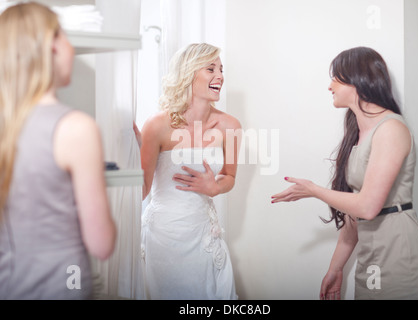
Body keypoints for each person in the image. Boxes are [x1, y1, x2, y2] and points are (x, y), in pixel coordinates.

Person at [271, 46, 418, 300]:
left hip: (401, 255)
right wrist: (335, 269)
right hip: (370, 259)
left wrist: (314, 190)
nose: (330, 86)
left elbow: (368, 207)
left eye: (335, 77)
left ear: (357, 79)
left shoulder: (391, 128)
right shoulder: (357, 134)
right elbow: (355, 213)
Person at [0, 2, 116, 299]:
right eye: (65, 35)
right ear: (50, 47)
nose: (71, 47)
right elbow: (102, 244)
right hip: (64, 285)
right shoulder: (76, 128)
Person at [138, 43, 240, 299]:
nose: (220, 76)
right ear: (189, 73)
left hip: (204, 234)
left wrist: (215, 187)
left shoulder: (230, 125)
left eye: (221, 69)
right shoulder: (157, 125)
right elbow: (142, 189)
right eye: (211, 69)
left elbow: (230, 176)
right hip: (163, 235)